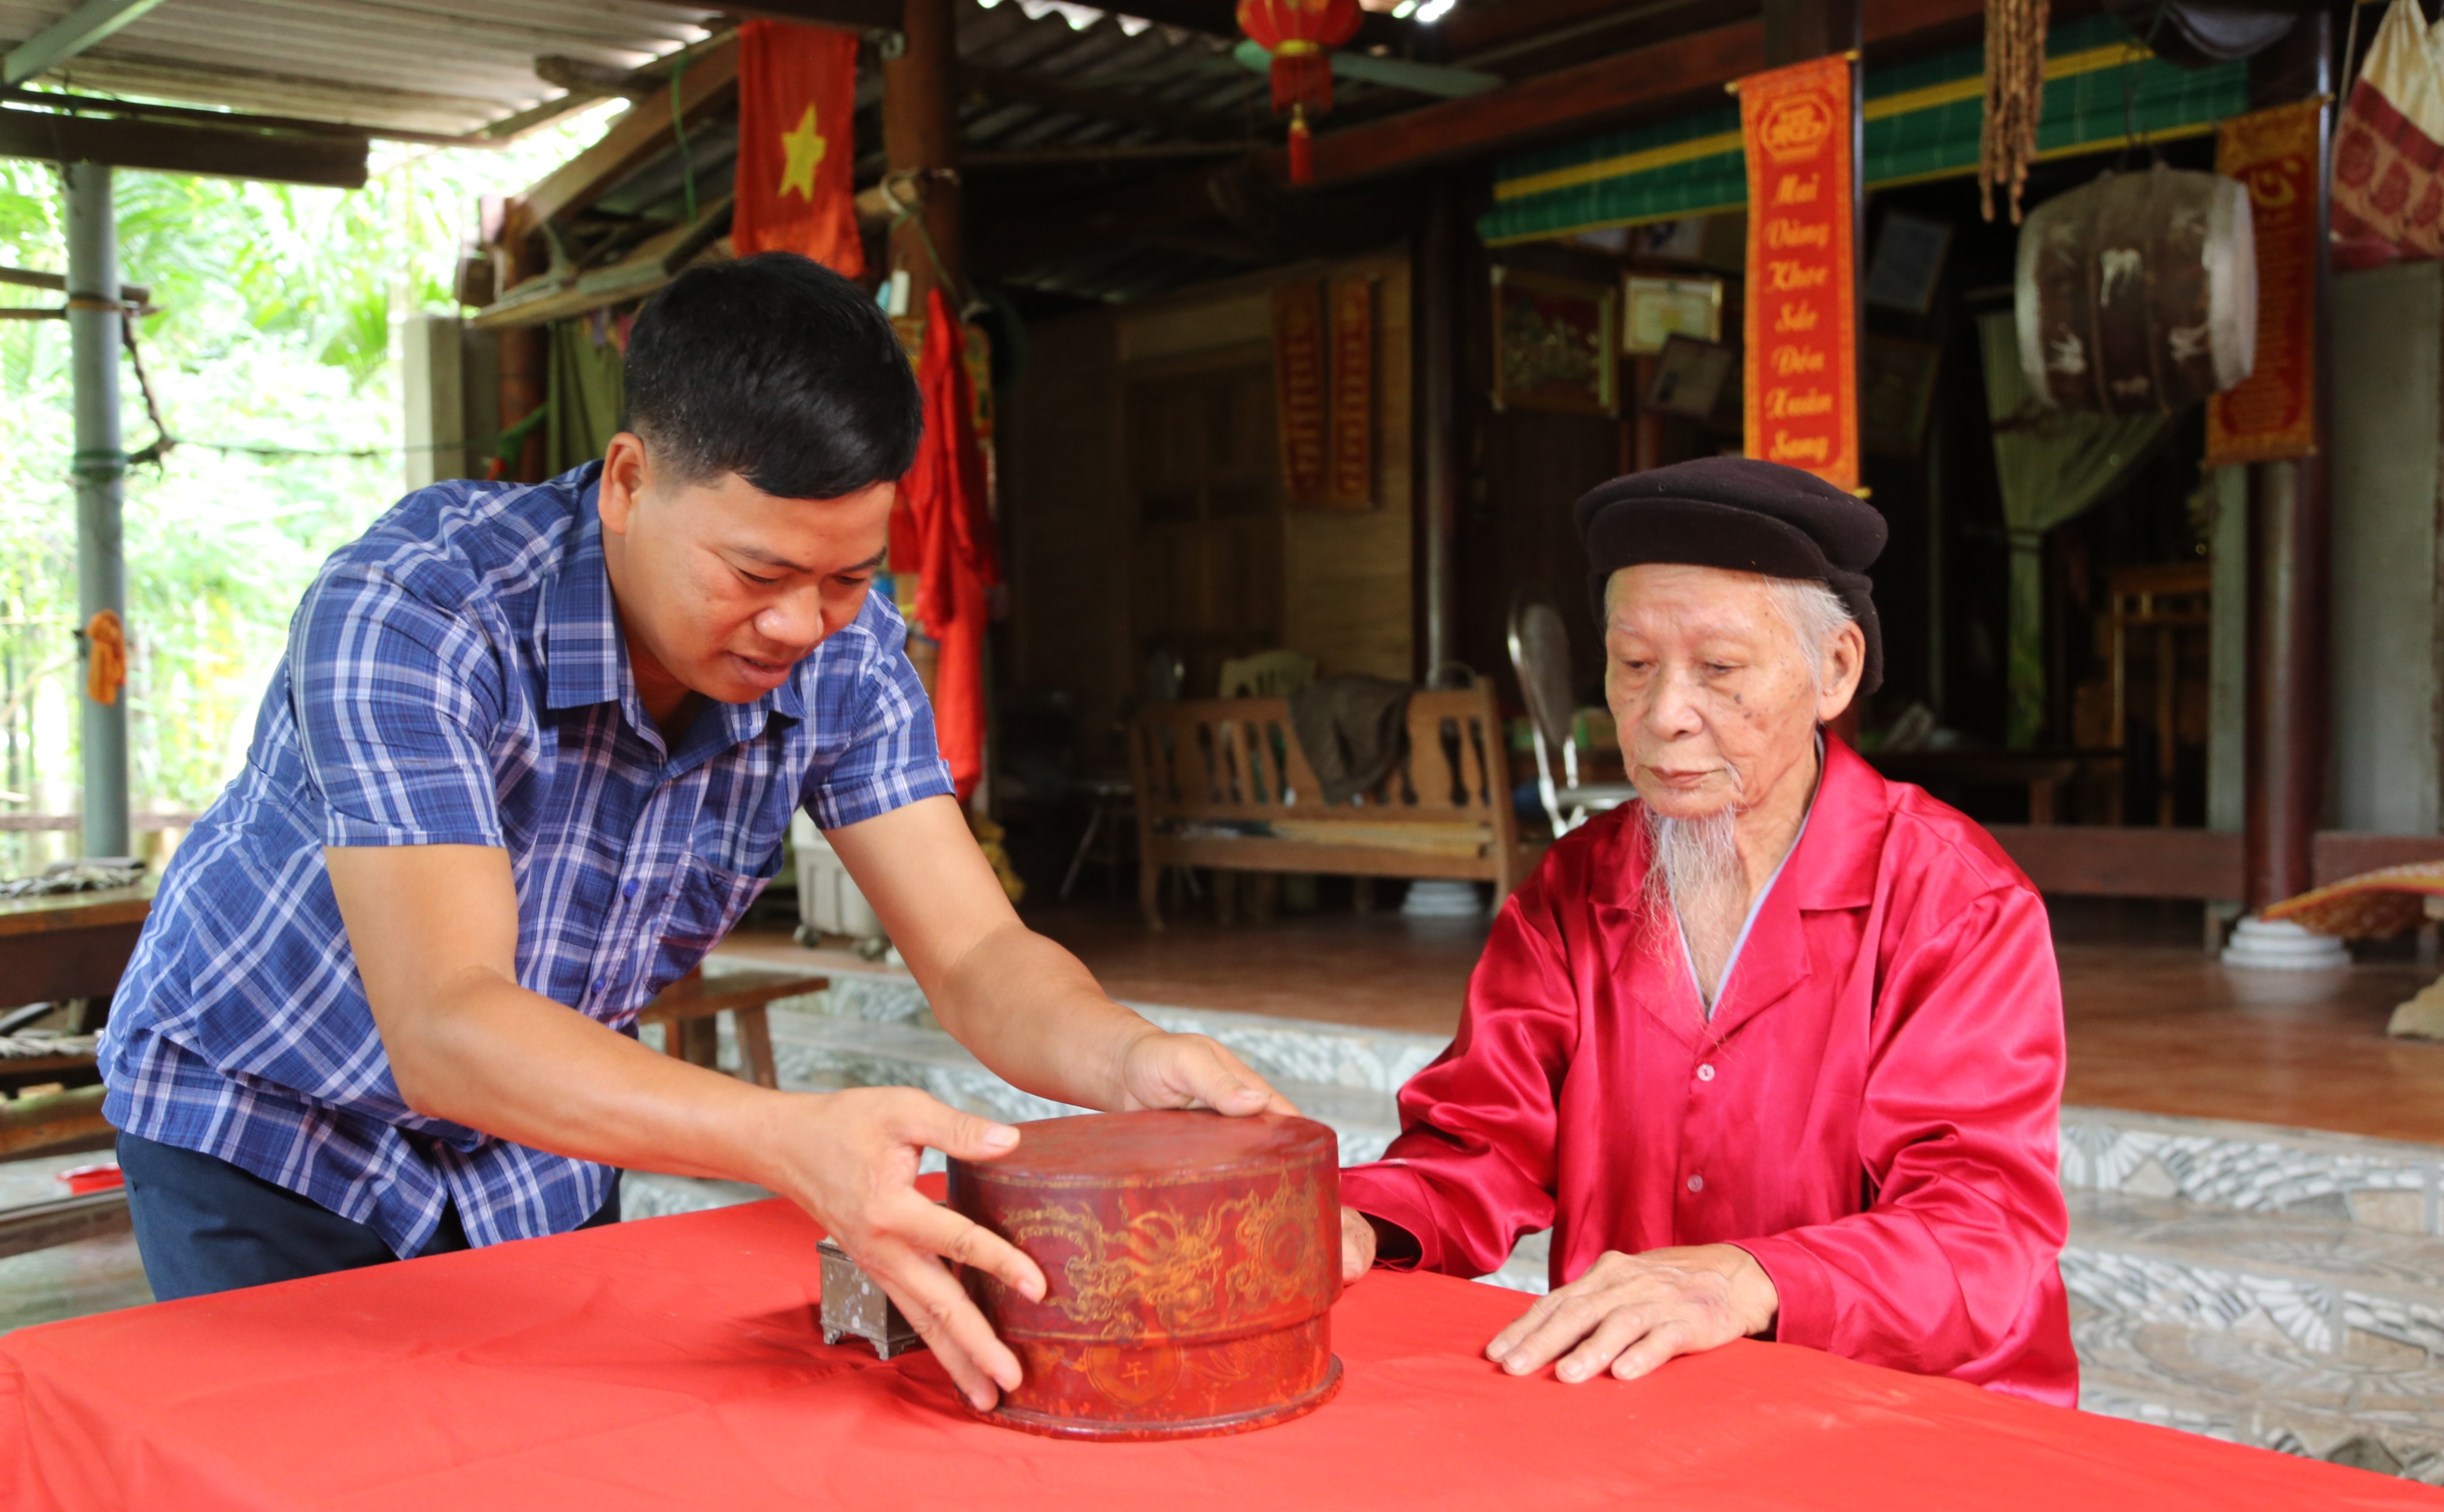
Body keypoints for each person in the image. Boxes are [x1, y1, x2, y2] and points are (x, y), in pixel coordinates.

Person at [98, 254, 1289, 1411]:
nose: (796, 624)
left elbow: (977, 956)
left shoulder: (849, 653)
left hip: (537, 1155)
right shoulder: (418, 609)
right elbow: (447, 1020)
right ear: (625, 482)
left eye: (847, 577)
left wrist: (1124, 1055)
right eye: (756, 570)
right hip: (272, 1125)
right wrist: (790, 1140)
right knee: (303, 1508)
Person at [1336, 456, 2075, 1406]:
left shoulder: (1953, 903)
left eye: (1719, 670)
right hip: (1648, 1400)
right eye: (1635, 665)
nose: (1664, 716)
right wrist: (1362, 1220)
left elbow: (1981, 1231)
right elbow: (1480, 1144)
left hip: (1906, 1418)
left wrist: (1745, 1280)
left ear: (1835, 670)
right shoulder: (1574, 888)